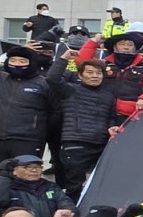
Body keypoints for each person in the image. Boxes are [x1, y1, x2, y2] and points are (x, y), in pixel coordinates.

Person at [46, 56, 117, 199]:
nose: (94, 76)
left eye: (98, 73)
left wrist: (112, 127)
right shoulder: (70, 90)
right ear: (80, 75)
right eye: (90, 72)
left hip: (101, 144)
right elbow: (52, 79)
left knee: (101, 183)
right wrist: (63, 59)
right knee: (74, 185)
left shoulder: (108, 96)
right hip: (75, 143)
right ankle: (71, 216)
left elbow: (111, 117)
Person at [76, 31, 143, 119]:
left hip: (132, 116)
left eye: (130, 45)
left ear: (135, 48)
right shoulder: (104, 64)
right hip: (102, 112)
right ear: (114, 47)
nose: (126, 47)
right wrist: (93, 41)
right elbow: (81, 61)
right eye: (122, 44)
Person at [0, 155, 77, 217]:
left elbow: (66, 203)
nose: (34, 170)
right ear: (15, 170)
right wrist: (3, 175)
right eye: (28, 167)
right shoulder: (8, 187)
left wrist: (68, 210)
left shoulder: (50, 187)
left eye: (38, 167)